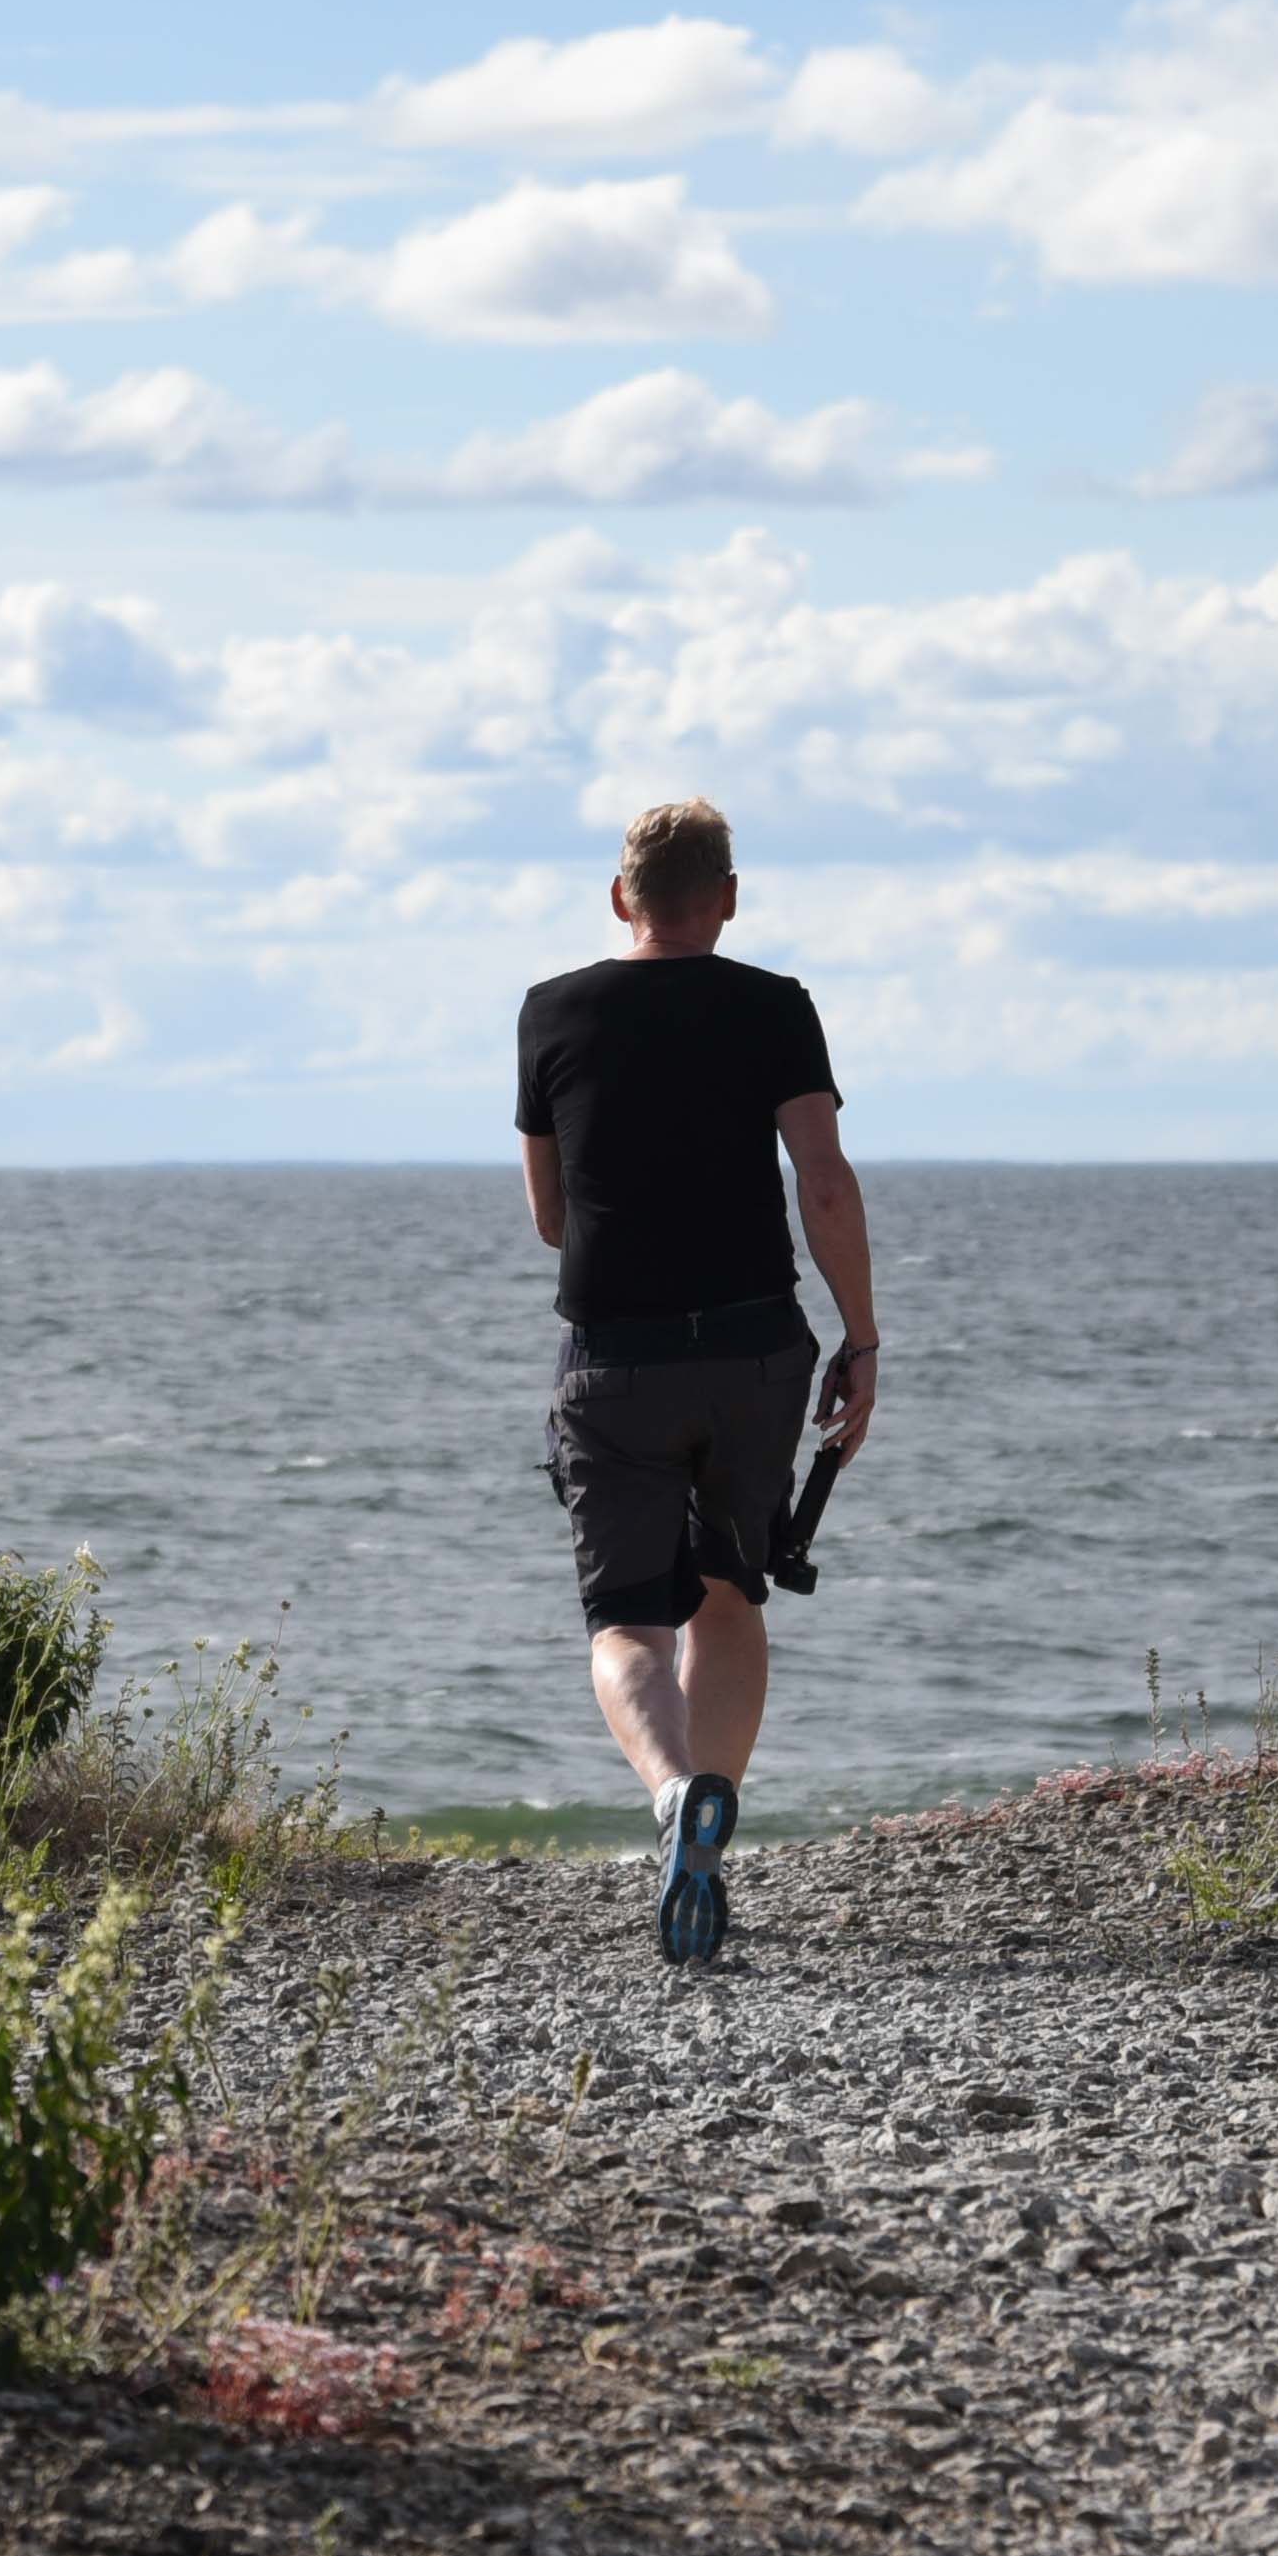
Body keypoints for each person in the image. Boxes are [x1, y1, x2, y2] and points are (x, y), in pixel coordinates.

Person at [514, 797, 876, 1962]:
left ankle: (674, 1795)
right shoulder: (775, 1006)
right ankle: (709, 1828)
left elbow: (548, 1215)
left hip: (613, 1356)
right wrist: (860, 1335)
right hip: (753, 1350)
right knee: (729, 1592)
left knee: (624, 1617)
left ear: (621, 897)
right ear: (725, 897)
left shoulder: (551, 1010)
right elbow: (823, 1182)